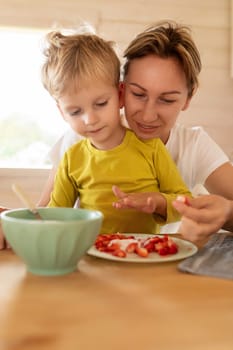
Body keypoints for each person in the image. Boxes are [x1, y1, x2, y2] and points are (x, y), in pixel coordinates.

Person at [37, 20, 233, 219]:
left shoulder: (193, 145)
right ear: (121, 91)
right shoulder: (80, 139)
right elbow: (43, 214)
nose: (148, 116)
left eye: (166, 100)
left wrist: (223, 214)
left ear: (188, 98)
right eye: (138, 94)